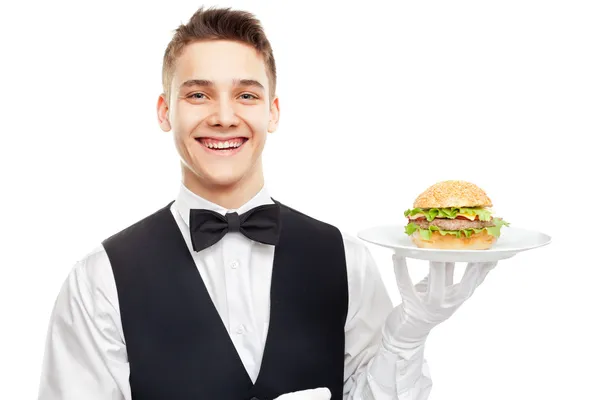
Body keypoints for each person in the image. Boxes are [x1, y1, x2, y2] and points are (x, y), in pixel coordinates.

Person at [37, 6, 497, 400]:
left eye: (246, 95)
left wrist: (408, 334)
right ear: (165, 110)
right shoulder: (98, 280)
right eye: (198, 94)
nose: (222, 116)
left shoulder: (346, 257)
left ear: (272, 111)